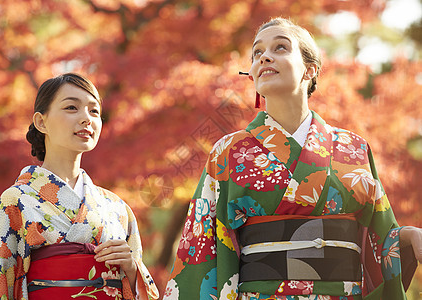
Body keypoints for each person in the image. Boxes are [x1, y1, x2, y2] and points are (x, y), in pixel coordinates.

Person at [163, 17, 421, 300]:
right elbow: (203, 244)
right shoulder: (228, 152)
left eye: (280, 47)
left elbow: (380, 235)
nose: (265, 57)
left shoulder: (354, 148)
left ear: (310, 69)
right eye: (257, 53)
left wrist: (407, 237)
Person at [0, 73, 159, 300]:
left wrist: (131, 268)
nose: (86, 118)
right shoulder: (17, 200)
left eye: (94, 111)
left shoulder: (117, 208)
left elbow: (142, 289)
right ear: (41, 122)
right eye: (72, 107)